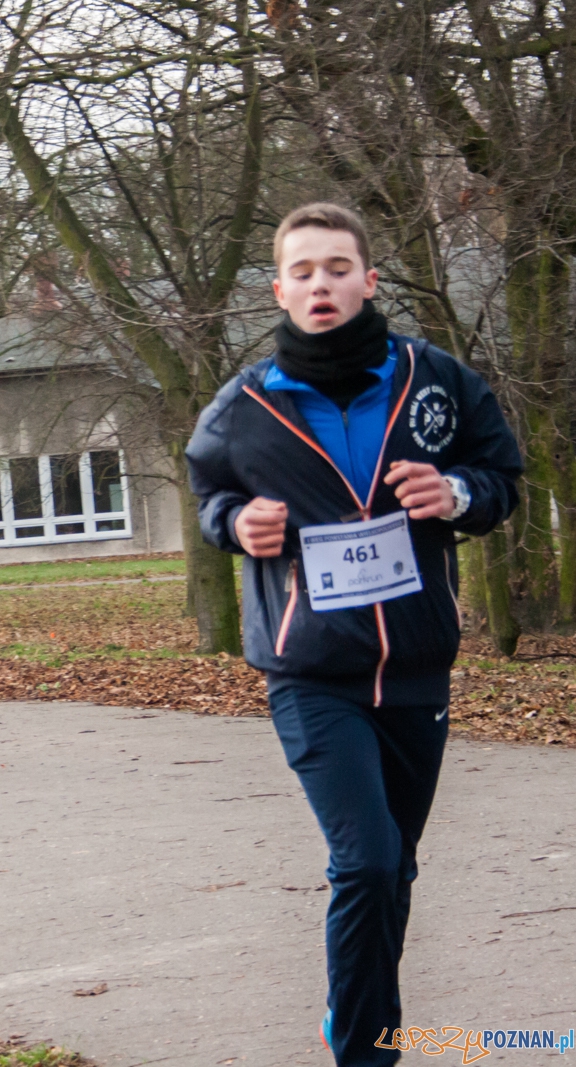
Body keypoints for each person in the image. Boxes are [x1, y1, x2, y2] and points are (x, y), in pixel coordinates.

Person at [186, 203, 523, 1067]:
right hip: (313, 671)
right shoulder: (247, 405)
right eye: (302, 272)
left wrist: (456, 495)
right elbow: (210, 494)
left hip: (415, 667)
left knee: (394, 869)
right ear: (279, 290)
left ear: (369, 281)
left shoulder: (435, 380)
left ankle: (363, 1016)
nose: (320, 284)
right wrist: (236, 523)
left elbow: (499, 473)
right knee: (366, 861)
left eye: (337, 268)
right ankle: (367, 1052)